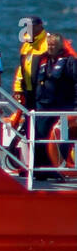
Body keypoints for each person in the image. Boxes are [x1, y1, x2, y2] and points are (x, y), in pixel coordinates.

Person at [34, 32, 77, 172]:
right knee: (40, 139)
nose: (51, 47)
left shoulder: (69, 62)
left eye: (53, 45)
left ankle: (57, 171)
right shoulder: (42, 60)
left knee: (60, 142)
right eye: (49, 44)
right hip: (43, 107)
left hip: (62, 107)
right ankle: (40, 171)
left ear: (59, 46)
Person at [13, 16, 47, 109]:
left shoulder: (47, 42)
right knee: (29, 117)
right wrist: (18, 89)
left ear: (40, 26)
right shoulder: (26, 44)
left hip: (43, 91)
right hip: (28, 90)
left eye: (32, 26)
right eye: (27, 26)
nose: (29, 29)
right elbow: (21, 68)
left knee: (41, 117)